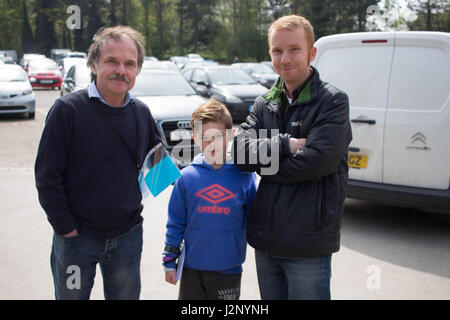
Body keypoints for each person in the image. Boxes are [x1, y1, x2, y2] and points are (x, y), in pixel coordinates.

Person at [34, 26, 162, 300]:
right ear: (94, 64)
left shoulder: (141, 113)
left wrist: (211, 165)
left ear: (137, 70)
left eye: (129, 64)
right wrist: (66, 228)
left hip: (127, 238)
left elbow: (160, 167)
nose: (121, 70)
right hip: (76, 240)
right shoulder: (67, 111)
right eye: (112, 61)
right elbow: (47, 178)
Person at [232, 15, 352, 300]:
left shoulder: (333, 102)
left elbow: (318, 162)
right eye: (277, 50)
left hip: (308, 242)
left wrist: (263, 165)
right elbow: (239, 153)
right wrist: (286, 145)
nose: (284, 58)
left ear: (312, 53)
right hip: (266, 240)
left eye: (294, 49)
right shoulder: (264, 103)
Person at [163, 98, 257, 300]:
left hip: (229, 269)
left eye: (218, 136)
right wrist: (170, 262)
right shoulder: (187, 178)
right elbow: (175, 223)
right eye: (205, 137)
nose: (212, 143)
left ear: (231, 135)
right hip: (191, 270)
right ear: (195, 139)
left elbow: (255, 218)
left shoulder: (244, 176)